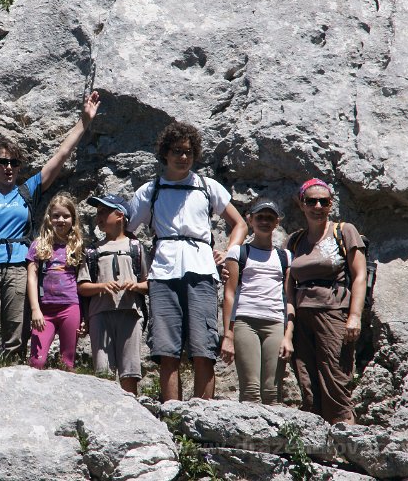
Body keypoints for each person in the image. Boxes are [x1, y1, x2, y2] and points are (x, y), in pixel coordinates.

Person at [0, 91, 101, 372]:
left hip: (18, 268)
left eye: (14, 162)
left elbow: (61, 155)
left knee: (14, 342)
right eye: (2, 162)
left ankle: (9, 392)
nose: (9, 167)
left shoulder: (28, 190)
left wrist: (84, 121)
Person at [128, 121, 248, 402]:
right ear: (165, 153)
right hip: (163, 272)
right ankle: (172, 412)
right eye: (177, 151)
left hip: (201, 270)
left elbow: (240, 224)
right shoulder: (150, 190)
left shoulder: (207, 187)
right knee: (166, 349)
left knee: (203, 347)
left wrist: (229, 251)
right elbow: (128, 231)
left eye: (189, 152)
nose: (183, 157)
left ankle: (203, 413)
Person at [287, 178, 366, 424]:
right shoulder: (295, 240)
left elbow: (360, 275)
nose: (318, 206)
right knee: (307, 381)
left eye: (324, 201)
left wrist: (354, 316)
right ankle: (316, 439)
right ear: (302, 204)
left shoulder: (344, 231)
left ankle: (346, 437)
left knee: (335, 379)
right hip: (302, 316)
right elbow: (288, 283)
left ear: (331, 204)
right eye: (312, 201)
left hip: (333, 312)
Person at [220, 199, 294, 404]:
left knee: (272, 392)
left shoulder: (285, 257)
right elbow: (229, 295)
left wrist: (288, 335)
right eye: (260, 217)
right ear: (250, 220)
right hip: (245, 322)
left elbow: (289, 298)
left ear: (277, 222)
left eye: (270, 218)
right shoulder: (238, 252)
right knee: (250, 390)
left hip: (275, 323)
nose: (264, 222)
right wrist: (228, 335)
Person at [77, 194, 148, 395]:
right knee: (103, 371)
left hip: (130, 313)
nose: (98, 217)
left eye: (104, 212)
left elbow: (149, 284)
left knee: (130, 370)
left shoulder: (136, 247)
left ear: (120, 215)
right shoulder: (92, 251)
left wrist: (135, 286)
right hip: (100, 314)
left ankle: (131, 406)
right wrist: (102, 286)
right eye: (97, 213)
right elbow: (82, 286)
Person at [25, 192, 84, 369]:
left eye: (66, 216)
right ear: (49, 218)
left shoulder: (77, 247)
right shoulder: (39, 245)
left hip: (70, 307)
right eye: (56, 215)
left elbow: (82, 282)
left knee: (67, 361)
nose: (61, 220)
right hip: (45, 310)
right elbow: (32, 277)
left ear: (73, 219)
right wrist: (35, 309)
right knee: (37, 361)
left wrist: (85, 316)